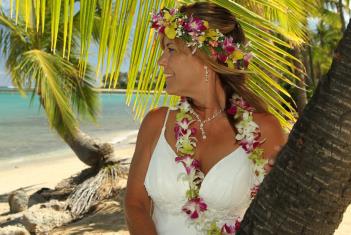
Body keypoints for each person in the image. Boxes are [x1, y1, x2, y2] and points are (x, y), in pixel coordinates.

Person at [124, 2, 286, 235]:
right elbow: (135, 203)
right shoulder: (156, 123)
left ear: (206, 55)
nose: (161, 61)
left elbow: (275, 212)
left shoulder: (263, 128)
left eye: (170, 49)